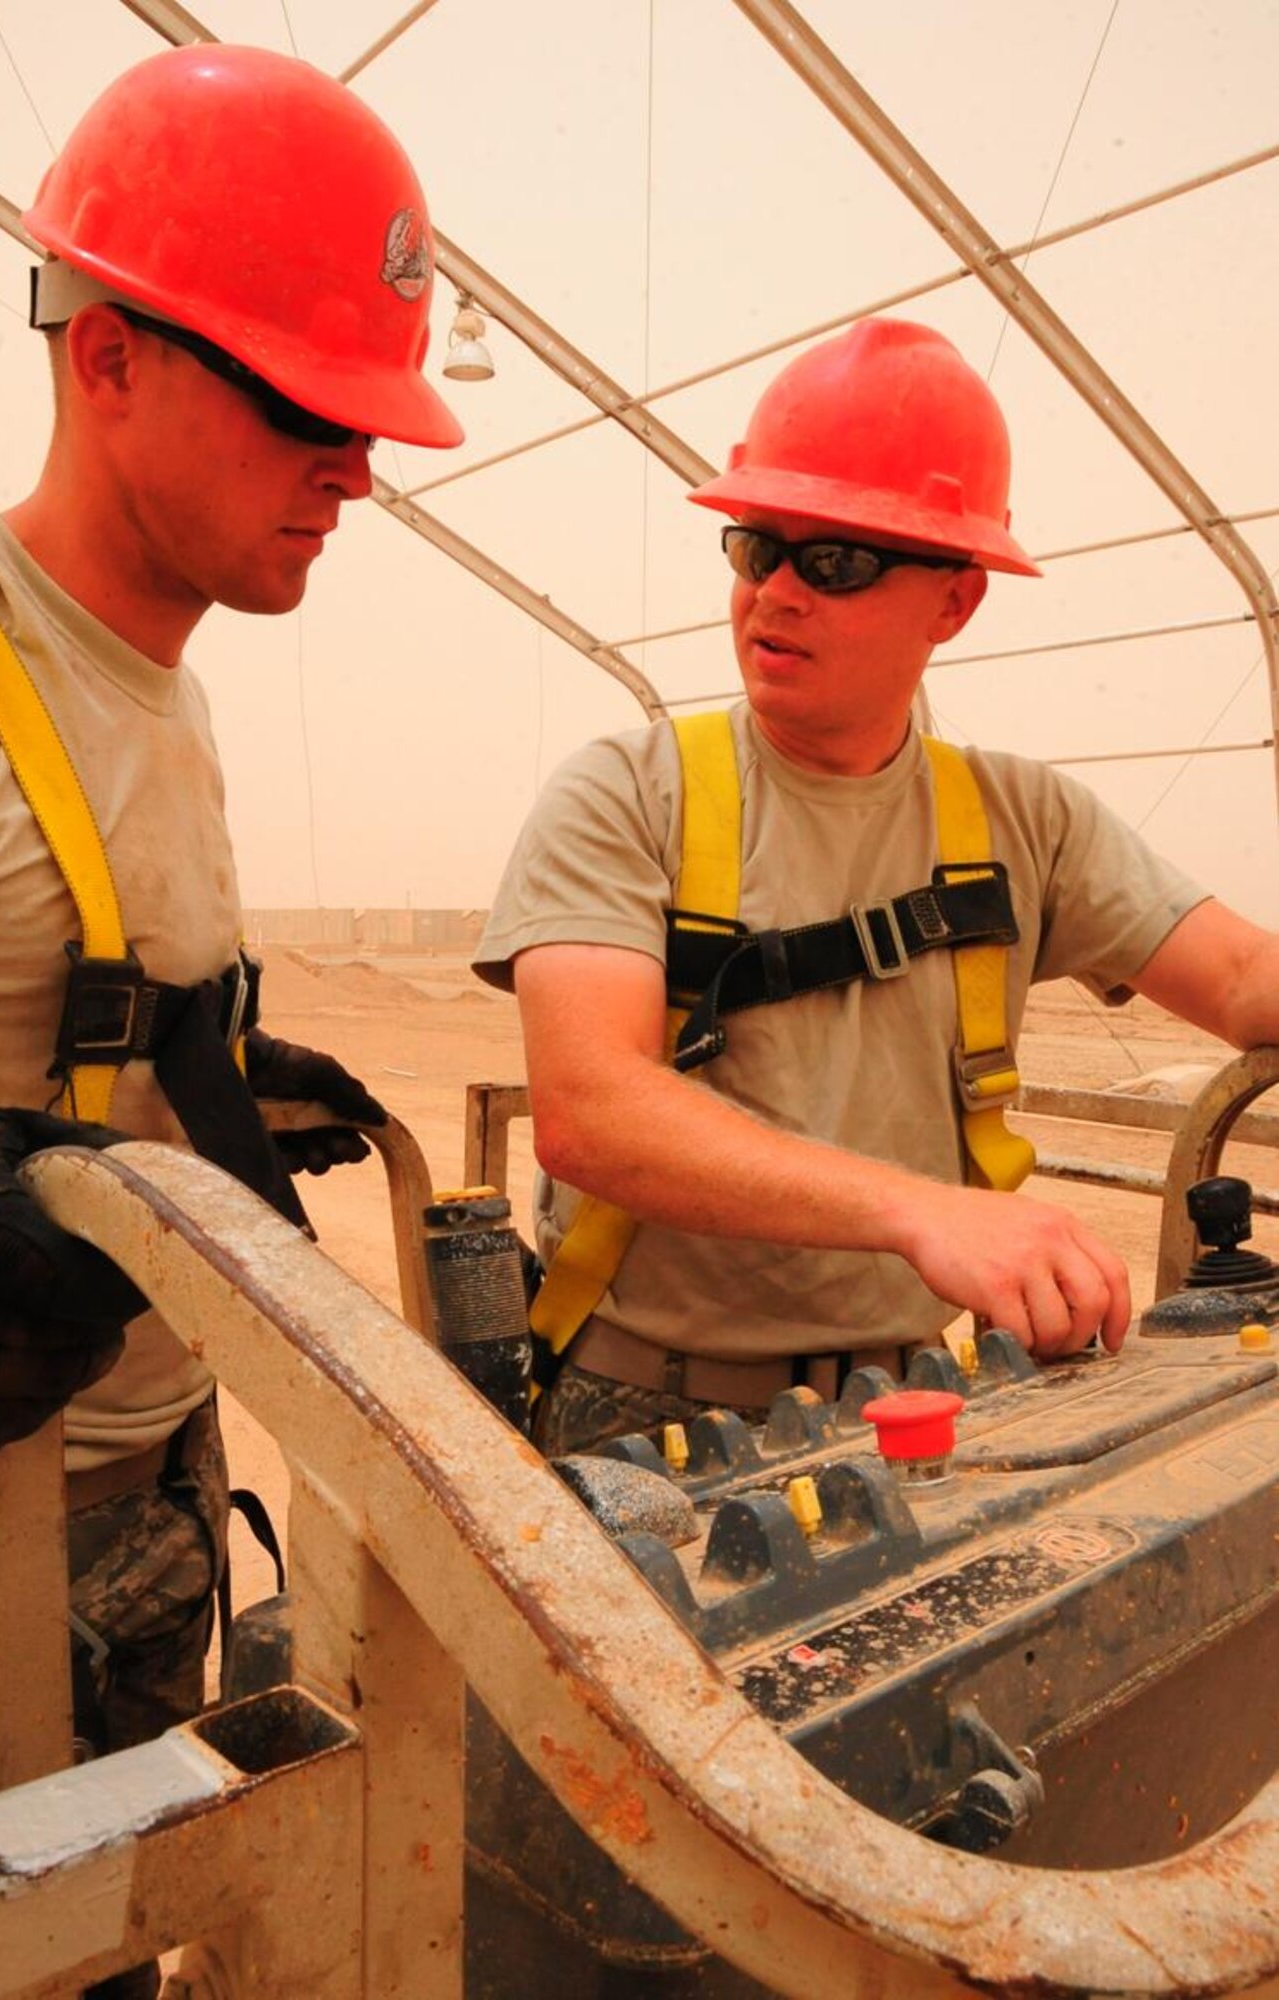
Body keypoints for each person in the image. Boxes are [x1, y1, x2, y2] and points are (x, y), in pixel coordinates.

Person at [0, 44, 462, 1997]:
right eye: (307, 407)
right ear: (109, 358)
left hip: (141, 1518)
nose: (358, 466)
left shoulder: (167, 690)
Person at [474, 316, 1279, 1459]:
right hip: (642, 1413)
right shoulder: (631, 792)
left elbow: (1247, 977)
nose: (778, 592)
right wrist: (923, 1210)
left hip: (917, 1411)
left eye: (836, 561)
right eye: (759, 547)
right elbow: (593, 1110)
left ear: (954, 602)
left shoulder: (1020, 822)